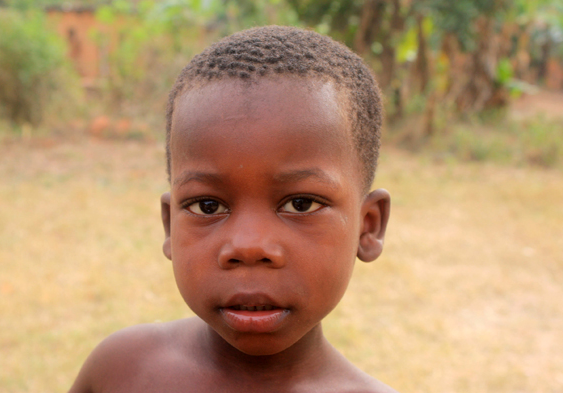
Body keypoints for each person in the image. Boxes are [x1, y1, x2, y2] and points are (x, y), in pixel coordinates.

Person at [69, 25, 395, 393]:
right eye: (208, 206)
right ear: (169, 225)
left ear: (368, 227)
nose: (248, 246)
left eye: (300, 204)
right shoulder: (121, 372)